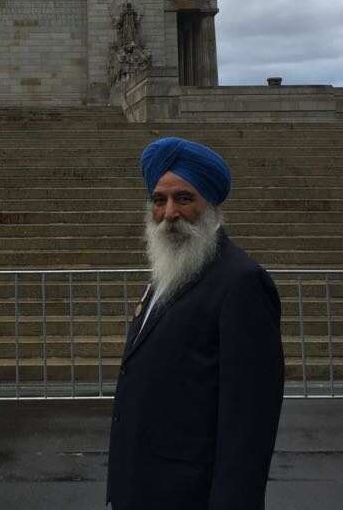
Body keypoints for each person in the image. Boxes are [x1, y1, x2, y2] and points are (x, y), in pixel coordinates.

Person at [106, 137, 285, 509]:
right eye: (159, 200)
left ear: (210, 204)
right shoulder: (170, 272)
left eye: (183, 199)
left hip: (190, 495)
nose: (169, 212)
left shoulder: (241, 283)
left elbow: (248, 425)